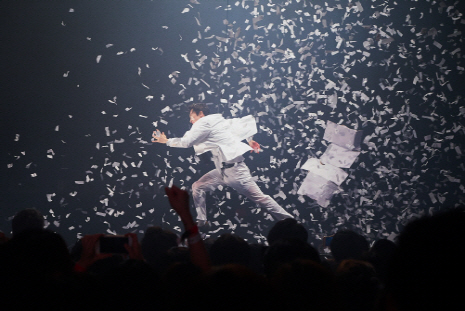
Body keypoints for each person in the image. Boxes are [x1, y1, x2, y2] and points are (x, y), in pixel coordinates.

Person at [152, 103, 293, 227]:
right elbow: (240, 124)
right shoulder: (218, 123)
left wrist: (167, 141)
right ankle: (202, 222)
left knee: (261, 199)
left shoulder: (204, 122)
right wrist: (249, 140)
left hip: (236, 172)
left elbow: (187, 142)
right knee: (197, 186)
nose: (190, 120)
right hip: (222, 171)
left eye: (192, 116)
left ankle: (289, 221)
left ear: (201, 114)